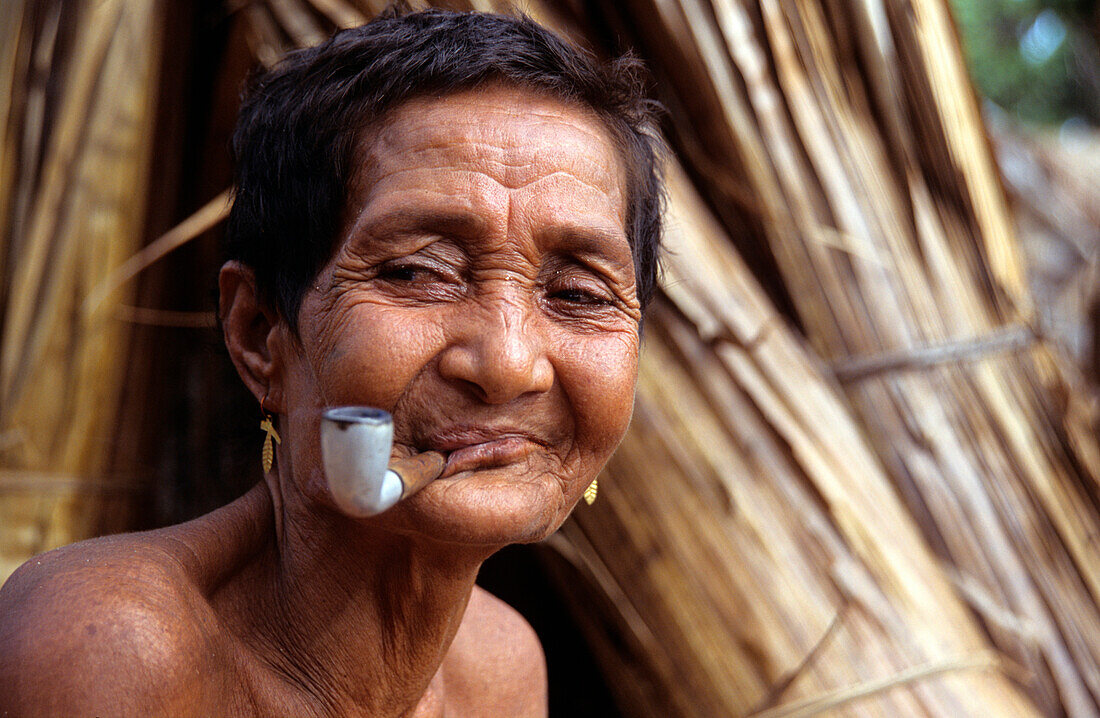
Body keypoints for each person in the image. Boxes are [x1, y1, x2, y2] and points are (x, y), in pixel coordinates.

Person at [0, 8, 663, 716]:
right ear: (260, 335)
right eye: (415, 273)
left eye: (577, 293)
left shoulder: (499, 674)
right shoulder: (117, 648)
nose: (506, 364)